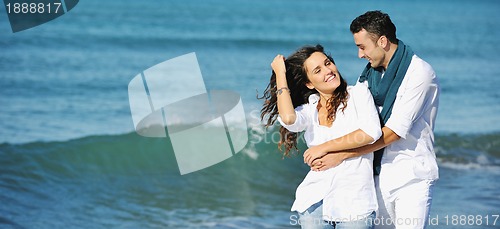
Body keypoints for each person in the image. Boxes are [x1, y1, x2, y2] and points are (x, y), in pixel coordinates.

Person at [307, 11, 440, 229]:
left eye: (362, 47)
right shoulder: (369, 77)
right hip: (376, 177)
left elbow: (394, 131)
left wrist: (341, 155)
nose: (360, 55)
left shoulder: (420, 73)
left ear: (382, 41)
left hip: (411, 176)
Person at [260, 44, 382, 229]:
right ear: (309, 83)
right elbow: (288, 118)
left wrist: (324, 147)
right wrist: (280, 75)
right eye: (318, 70)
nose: (328, 70)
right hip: (314, 201)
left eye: (328, 63)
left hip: (355, 204)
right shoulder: (310, 109)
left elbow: (370, 132)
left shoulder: (357, 94)